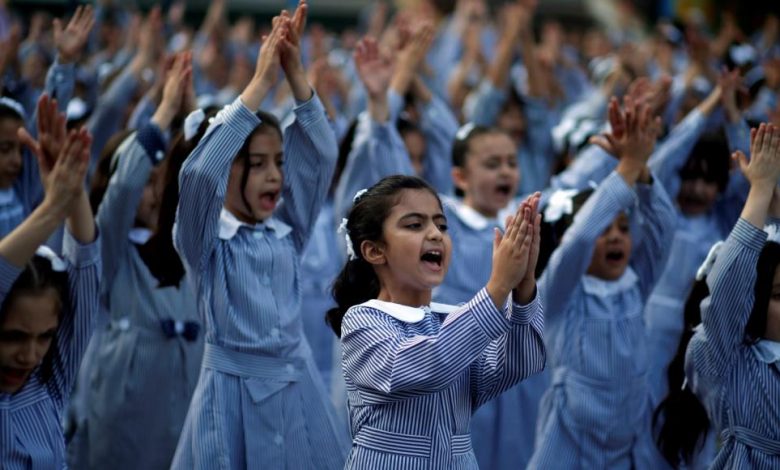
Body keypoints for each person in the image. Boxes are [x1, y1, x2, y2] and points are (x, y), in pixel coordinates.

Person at [171, 3, 349, 468]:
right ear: (229, 168)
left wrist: (296, 75)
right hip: (230, 397)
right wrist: (260, 83)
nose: (275, 176)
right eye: (257, 163)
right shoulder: (205, 242)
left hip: (298, 393)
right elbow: (199, 175)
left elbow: (321, 157)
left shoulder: (287, 230)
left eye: (279, 162)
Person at [328, 175, 545, 469]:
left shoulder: (452, 318)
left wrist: (523, 287)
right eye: (414, 225)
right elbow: (430, 365)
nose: (435, 234)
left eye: (441, 225)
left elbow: (520, 363)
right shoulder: (362, 321)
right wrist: (497, 287)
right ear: (374, 251)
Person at [67, 52, 204, 470]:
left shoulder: (184, 246)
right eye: (148, 183)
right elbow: (124, 188)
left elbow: (205, 179)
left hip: (182, 404)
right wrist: (163, 112)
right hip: (123, 413)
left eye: (160, 183)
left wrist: (193, 115)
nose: (155, 193)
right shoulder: (110, 249)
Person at [529, 97, 677, 468]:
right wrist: (626, 168)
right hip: (568, 447)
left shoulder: (634, 284)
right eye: (604, 229)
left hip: (627, 446)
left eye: (623, 228)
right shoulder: (561, 293)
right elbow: (579, 240)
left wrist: (641, 171)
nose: (615, 237)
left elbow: (663, 227)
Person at [0, 95, 99, 468]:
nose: (30, 355)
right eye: (13, 336)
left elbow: (85, 266)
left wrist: (73, 193)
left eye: (44, 337)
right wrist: (52, 208)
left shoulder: (50, 382)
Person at [685, 122, 780, 469]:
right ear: (751, 304)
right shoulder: (729, 359)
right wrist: (760, 190)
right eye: (779, 296)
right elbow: (728, 289)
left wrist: (775, 213)